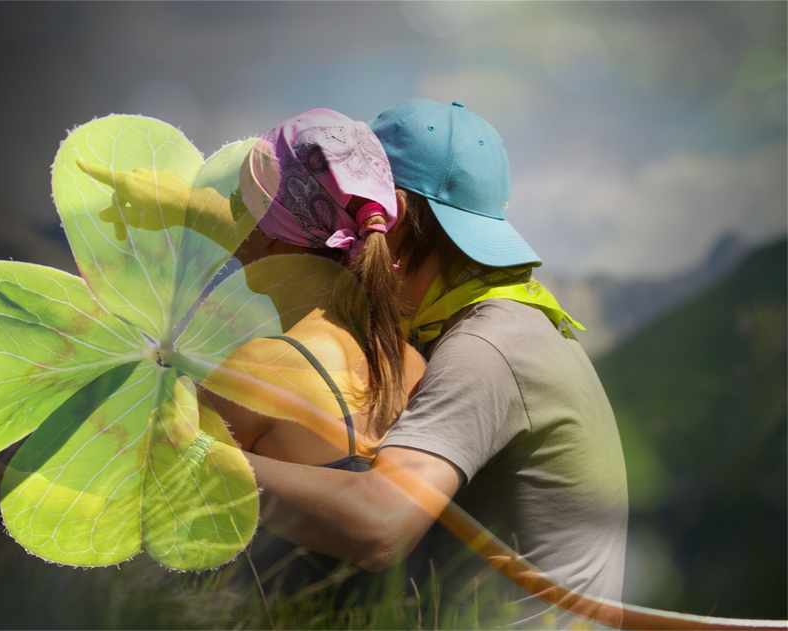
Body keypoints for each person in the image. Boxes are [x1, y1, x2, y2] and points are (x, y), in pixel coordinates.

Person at [241, 99, 629, 626]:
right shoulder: (514, 323)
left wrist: (199, 463)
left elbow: (380, 525)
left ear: (395, 222)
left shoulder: (487, 348)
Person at [195, 108, 427, 595]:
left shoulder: (262, 369)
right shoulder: (412, 363)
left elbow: (138, 510)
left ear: (267, 229)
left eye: (243, 202)